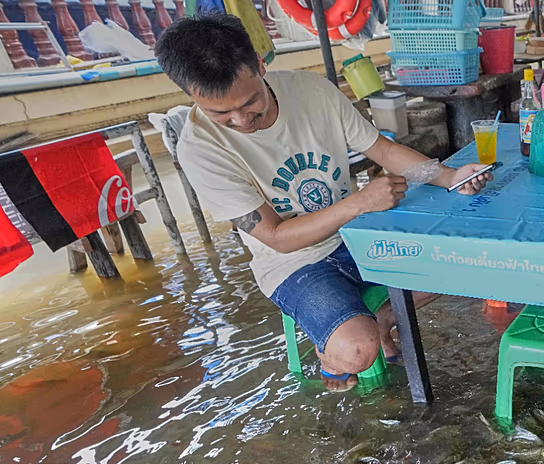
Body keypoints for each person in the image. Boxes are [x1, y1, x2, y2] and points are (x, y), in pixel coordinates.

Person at [155, 15, 492, 391]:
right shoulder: (199, 148)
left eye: (251, 103)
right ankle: (335, 360)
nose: (240, 120)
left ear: (261, 65)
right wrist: (360, 203)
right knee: (356, 353)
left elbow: (380, 148)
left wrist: (449, 176)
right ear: (191, 94)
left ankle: (381, 319)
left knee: (465, 262)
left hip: (353, 235)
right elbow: (278, 238)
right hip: (293, 264)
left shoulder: (313, 91)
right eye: (221, 114)